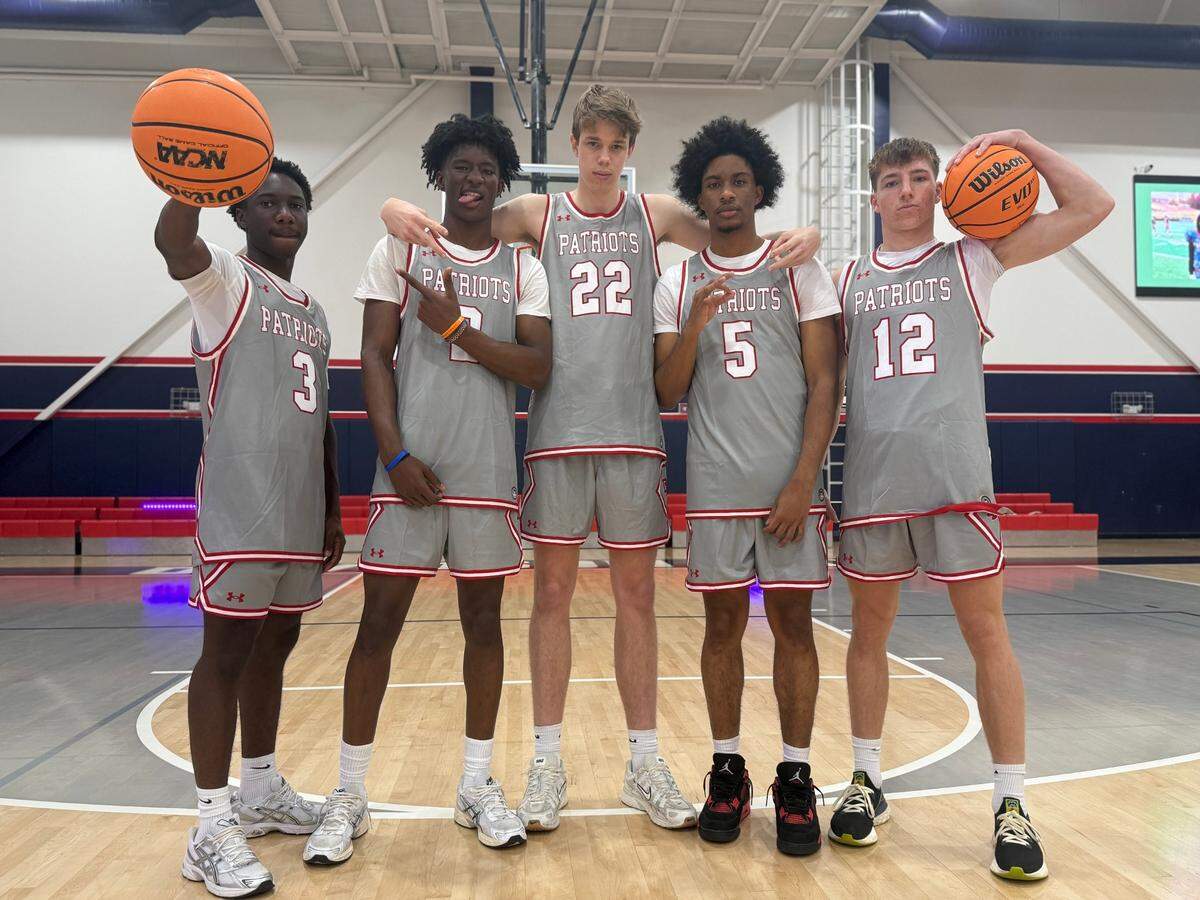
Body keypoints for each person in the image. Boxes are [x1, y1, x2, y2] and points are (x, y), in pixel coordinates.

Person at [379, 85, 820, 832]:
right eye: (593, 144)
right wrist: (392, 207)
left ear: (630, 150)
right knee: (551, 597)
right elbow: (461, 216)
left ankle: (643, 763)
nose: (604, 158)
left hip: (634, 433)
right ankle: (546, 763)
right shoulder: (539, 213)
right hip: (557, 432)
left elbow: (733, 230)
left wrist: (807, 232)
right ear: (575, 147)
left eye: (617, 146)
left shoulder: (655, 214)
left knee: (637, 601)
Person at [829, 131, 1114, 881]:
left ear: (940, 187)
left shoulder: (975, 259)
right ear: (874, 198)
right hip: (874, 487)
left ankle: (1011, 802)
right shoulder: (847, 279)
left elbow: (1093, 205)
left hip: (957, 484)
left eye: (920, 177)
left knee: (988, 636)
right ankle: (866, 779)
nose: (907, 191)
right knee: (868, 636)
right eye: (892, 181)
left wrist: (1022, 143)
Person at [302, 114, 552, 861]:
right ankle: (349, 794)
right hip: (406, 471)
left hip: (485, 475)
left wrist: (456, 330)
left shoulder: (523, 268)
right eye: (460, 166)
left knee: (485, 629)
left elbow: (537, 369)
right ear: (437, 174)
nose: (473, 179)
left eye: (486, 169)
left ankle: (476, 785)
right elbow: (372, 356)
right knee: (376, 628)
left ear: (501, 182)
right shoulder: (399, 249)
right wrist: (395, 452)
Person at [155, 157, 345, 897]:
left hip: (298, 514)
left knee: (276, 648)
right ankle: (209, 827)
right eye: (268, 203)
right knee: (225, 655)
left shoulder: (314, 311)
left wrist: (331, 508)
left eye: (296, 203)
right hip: (241, 509)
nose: (285, 213)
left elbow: (321, 421)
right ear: (240, 213)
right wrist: (195, 181)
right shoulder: (225, 283)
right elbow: (175, 243)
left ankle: (261, 790)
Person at [652, 117, 840, 855]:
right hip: (717, 487)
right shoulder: (677, 281)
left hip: (789, 489)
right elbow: (667, 389)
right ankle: (727, 768)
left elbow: (826, 383)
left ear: (760, 189)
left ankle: (795, 775)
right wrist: (696, 323)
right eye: (713, 185)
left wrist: (804, 481)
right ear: (698, 197)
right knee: (721, 630)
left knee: (794, 629)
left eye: (738, 181)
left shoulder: (799, 268)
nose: (726, 193)